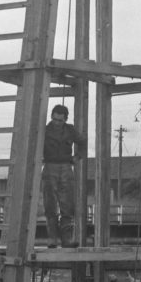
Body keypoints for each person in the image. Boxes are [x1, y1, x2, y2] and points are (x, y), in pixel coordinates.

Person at [42, 103, 86, 247]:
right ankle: (52, 239)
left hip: (66, 168)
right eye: (54, 119)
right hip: (49, 167)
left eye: (60, 120)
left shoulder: (70, 130)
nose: (57, 123)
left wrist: (77, 156)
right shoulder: (45, 130)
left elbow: (82, 142)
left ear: (65, 120)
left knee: (67, 204)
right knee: (50, 204)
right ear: (51, 117)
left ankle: (67, 240)